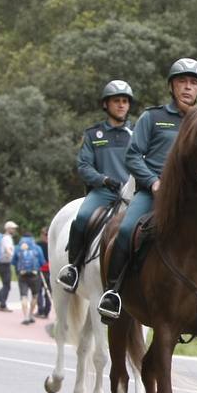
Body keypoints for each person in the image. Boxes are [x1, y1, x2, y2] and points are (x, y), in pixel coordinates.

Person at [97, 58, 197, 323]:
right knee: (124, 231)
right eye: (182, 82)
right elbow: (133, 156)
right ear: (171, 86)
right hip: (153, 193)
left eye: (193, 83)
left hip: (194, 200)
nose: (187, 87)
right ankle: (114, 294)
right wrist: (152, 181)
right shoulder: (152, 117)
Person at [57, 80, 134, 293]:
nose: (121, 105)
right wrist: (104, 180)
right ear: (106, 105)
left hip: (132, 194)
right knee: (81, 219)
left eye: (125, 101)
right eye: (116, 101)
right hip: (104, 192)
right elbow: (83, 166)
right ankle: (73, 268)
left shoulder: (135, 133)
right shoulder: (93, 134)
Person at [13, 230, 45, 325]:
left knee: (24, 296)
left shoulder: (18, 248)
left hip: (22, 275)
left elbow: (13, 261)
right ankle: (31, 315)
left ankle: (25, 316)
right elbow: (42, 262)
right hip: (35, 275)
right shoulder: (37, 248)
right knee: (35, 296)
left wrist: (20, 268)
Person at [0, 221, 18, 311]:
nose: (14, 230)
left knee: (6, 285)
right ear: (8, 229)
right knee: (7, 285)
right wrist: (14, 259)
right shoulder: (7, 238)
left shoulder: (6, 238)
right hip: (4, 264)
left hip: (2, 263)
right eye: (13, 228)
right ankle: (2, 304)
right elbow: (8, 250)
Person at [35, 225, 52, 319]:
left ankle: (40, 310)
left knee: (38, 291)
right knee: (48, 292)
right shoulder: (54, 244)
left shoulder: (38, 245)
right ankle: (46, 312)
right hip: (51, 271)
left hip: (41, 270)